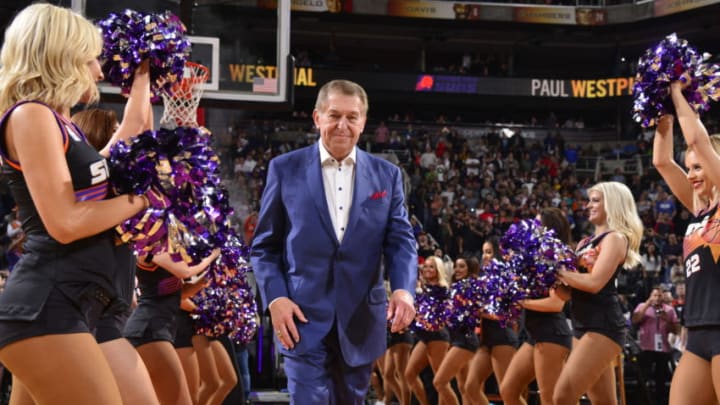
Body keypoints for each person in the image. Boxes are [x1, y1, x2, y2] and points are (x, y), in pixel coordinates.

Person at [0, 4, 156, 404]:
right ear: (61, 57)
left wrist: (143, 75)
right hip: (48, 304)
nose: (99, 71)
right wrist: (140, 200)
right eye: (90, 57)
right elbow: (65, 222)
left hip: (84, 304)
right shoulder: (31, 115)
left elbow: (130, 135)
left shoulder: (62, 121)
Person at [250, 79, 417, 404]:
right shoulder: (285, 169)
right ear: (317, 118)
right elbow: (264, 247)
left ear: (364, 121)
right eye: (334, 115)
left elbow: (400, 241)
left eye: (352, 117)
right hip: (300, 318)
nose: (343, 125)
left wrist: (402, 289)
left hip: (360, 321)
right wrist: (276, 298)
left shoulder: (388, 175)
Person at [72, 60, 159, 405]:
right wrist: (143, 70)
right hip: (85, 314)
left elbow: (145, 137)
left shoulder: (110, 186)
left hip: (100, 311)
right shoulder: (95, 183)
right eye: (117, 132)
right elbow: (137, 128)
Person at [653, 80, 720, 404]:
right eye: (689, 167)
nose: (691, 174)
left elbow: (696, 138)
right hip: (697, 330)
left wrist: (677, 91)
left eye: (698, 166)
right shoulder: (699, 209)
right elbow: (661, 162)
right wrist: (661, 110)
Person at [554, 181, 643, 405]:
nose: (588, 206)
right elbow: (567, 293)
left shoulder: (615, 238)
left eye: (595, 201)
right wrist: (545, 275)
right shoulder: (584, 242)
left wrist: (558, 270)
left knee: (562, 396)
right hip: (581, 325)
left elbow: (594, 283)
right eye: (589, 200)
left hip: (603, 325)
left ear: (612, 204)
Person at [124, 250, 220, 405]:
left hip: (159, 330)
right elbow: (185, 271)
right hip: (148, 330)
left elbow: (180, 292)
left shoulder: (165, 248)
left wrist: (203, 280)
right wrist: (214, 254)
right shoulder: (149, 245)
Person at [500, 207, 574, 405]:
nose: (532, 227)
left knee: (550, 400)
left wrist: (522, 302)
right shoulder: (533, 258)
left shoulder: (559, 258)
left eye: (538, 224)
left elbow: (556, 304)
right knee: (509, 390)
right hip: (534, 335)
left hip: (552, 333)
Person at [465, 237, 519, 405]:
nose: (485, 256)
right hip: (485, 338)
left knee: (507, 392)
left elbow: (506, 314)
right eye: (483, 252)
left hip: (502, 337)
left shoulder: (506, 277)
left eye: (489, 252)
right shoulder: (483, 279)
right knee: (471, 387)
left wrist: (479, 311)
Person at [432, 255, 482, 405]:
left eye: (461, 266)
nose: (457, 270)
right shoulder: (456, 288)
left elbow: (473, 312)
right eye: (456, 266)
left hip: (465, 340)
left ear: (470, 269)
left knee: (439, 382)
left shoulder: (470, 287)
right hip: (457, 339)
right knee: (463, 388)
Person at [404, 256, 451, 405]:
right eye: (426, 266)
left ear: (438, 270)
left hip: (437, 337)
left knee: (441, 382)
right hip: (425, 337)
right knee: (409, 374)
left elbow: (437, 314)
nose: (428, 269)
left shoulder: (442, 289)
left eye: (432, 267)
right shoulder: (422, 289)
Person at [631, 285, 680, 405]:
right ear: (650, 296)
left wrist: (667, 319)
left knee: (661, 380)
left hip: (663, 349)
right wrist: (647, 304)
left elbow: (676, 330)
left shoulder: (669, 310)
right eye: (655, 295)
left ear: (663, 297)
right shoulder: (642, 306)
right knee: (642, 378)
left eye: (659, 295)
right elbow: (634, 320)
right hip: (646, 348)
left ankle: (660, 402)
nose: (657, 298)